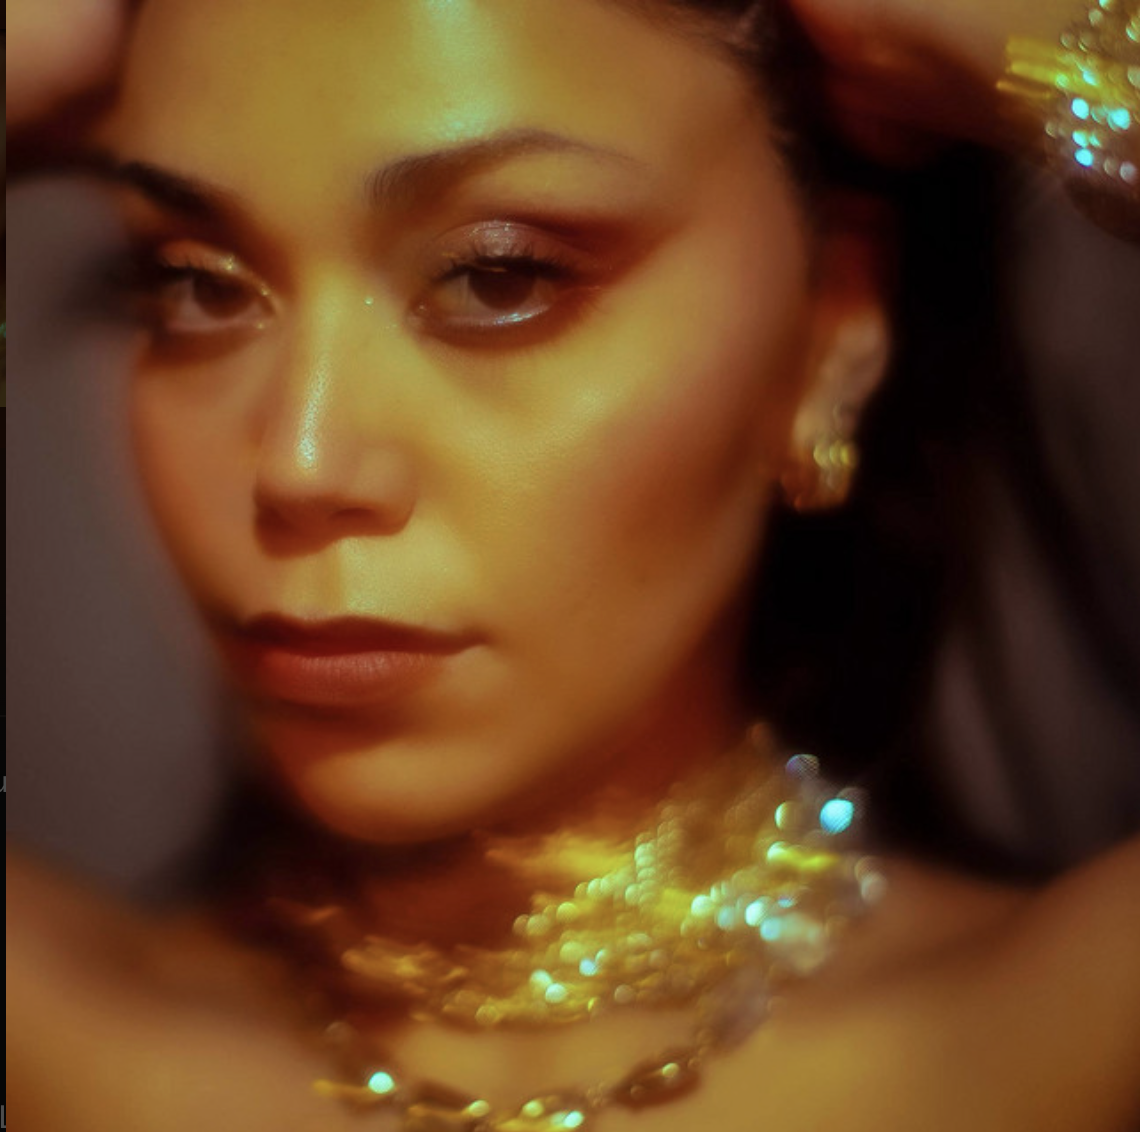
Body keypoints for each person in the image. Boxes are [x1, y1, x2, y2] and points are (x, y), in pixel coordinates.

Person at [7, 2, 1140, 1131]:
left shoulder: (1076, 1038)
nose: (301, 464)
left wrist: (1072, 46)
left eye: (499, 277)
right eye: (198, 284)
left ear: (833, 326)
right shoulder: (50, 1045)